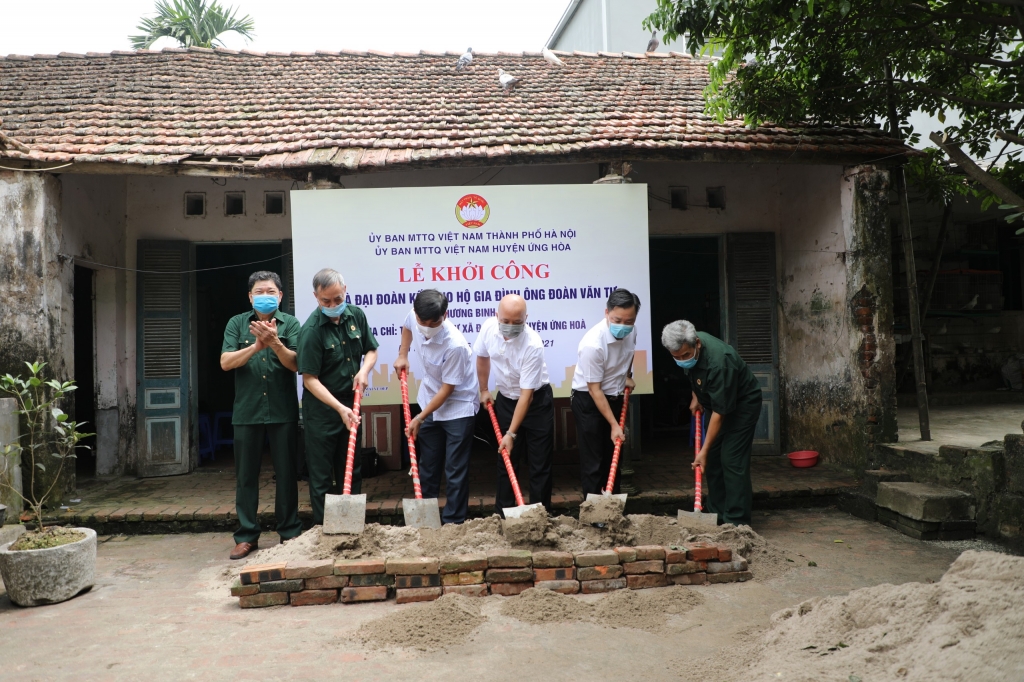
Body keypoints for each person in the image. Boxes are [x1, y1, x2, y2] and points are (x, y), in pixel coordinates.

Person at [220, 270, 303, 560]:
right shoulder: (236, 324)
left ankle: (289, 531)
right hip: (247, 411)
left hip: (283, 411)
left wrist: (275, 343)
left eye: (271, 292)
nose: (265, 297)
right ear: (250, 296)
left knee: (287, 473)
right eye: (259, 292)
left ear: (280, 296)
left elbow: (296, 364)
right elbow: (226, 362)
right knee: (245, 476)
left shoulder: (291, 323)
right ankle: (246, 536)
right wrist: (256, 346)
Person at [297, 268, 378, 527]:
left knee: (350, 467)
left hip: (351, 402)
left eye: (338, 300)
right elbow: (309, 380)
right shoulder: (311, 330)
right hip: (322, 407)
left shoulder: (356, 315)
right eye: (326, 302)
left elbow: (372, 350)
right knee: (321, 474)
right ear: (316, 297)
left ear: (345, 291)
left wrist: (364, 371)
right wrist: (339, 409)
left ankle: (352, 525)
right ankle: (325, 530)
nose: (333, 306)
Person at [661, 319, 762, 526]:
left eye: (686, 355)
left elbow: (719, 413)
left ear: (697, 343)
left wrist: (703, 450)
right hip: (716, 403)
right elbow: (695, 375)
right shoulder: (687, 351)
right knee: (714, 461)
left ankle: (736, 521)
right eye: (676, 357)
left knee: (731, 460)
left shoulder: (720, 361)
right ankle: (717, 513)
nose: (682, 360)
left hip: (741, 407)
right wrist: (696, 396)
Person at [394, 289, 479, 524]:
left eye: (435, 322)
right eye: (424, 321)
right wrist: (403, 354)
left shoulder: (456, 345)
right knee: (428, 466)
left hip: (458, 408)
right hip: (428, 399)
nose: (428, 326)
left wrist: (420, 418)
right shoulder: (414, 316)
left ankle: (453, 522)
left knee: (455, 470)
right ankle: (425, 519)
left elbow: (447, 389)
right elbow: (408, 327)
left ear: (445, 315)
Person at [474, 294, 554, 515]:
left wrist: (511, 433)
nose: (510, 326)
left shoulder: (533, 345)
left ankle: (540, 516)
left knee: (540, 463)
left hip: (536, 402)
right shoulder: (489, 328)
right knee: (506, 460)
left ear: (525, 318)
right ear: (496, 315)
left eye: (517, 322)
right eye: (505, 321)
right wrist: (484, 389)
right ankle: (504, 515)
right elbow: (482, 357)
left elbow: (526, 396)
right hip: (507, 401)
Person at [571, 288, 640, 496]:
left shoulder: (632, 331)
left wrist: (627, 375)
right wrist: (614, 425)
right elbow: (594, 390)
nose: (624, 326)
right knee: (595, 460)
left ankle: (614, 510)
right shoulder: (593, 344)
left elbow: (629, 354)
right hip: (589, 401)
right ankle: (594, 515)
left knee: (614, 456)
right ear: (606, 313)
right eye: (617, 320)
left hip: (614, 396)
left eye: (629, 321)